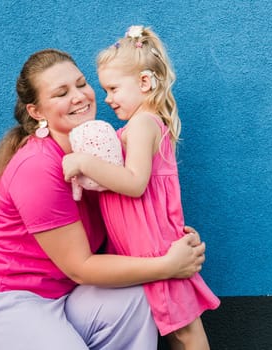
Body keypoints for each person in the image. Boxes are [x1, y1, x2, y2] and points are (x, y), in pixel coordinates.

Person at [0, 48, 207, 350]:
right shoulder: (37, 166)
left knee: (139, 297)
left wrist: (174, 241)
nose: (79, 96)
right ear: (36, 112)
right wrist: (169, 264)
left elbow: (134, 214)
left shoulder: (98, 155)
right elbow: (81, 267)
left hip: (65, 301)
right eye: (61, 93)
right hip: (7, 304)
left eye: (81, 84)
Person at [62, 25, 220, 350]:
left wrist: (83, 163)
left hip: (153, 246)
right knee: (176, 329)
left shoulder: (143, 125)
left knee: (185, 332)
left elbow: (135, 183)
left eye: (114, 88)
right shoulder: (136, 127)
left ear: (145, 82)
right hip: (144, 244)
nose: (107, 99)